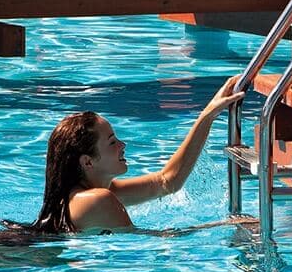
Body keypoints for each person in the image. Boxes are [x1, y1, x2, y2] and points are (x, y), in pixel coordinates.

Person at [22, 81, 245, 233]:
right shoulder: (97, 200)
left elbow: (167, 181)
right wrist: (228, 225)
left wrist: (208, 115)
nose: (122, 145)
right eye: (112, 142)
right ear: (87, 161)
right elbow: (149, 240)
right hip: (12, 257)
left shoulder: (96, 194)